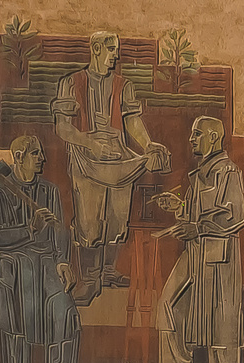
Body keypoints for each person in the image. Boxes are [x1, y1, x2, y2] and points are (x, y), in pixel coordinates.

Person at [51, 31, 170, 303]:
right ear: (95, 48)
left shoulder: (123, 85)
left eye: (116, 50)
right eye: (111, 50)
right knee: (89, 221)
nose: (116, 55)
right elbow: (62, 126)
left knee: (117, 218)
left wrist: (148, 145)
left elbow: (132, 121)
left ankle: (107, 271)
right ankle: (90, 279)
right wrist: (89, 143)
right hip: (85, 161)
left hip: (117, 160)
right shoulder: (71, 83)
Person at [0, 136, 98, 363]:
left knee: (65, 313)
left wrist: (62, 261)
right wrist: (30, 229)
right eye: (36, 154)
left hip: (47, 266)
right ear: (19, 156)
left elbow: (59, 230)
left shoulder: (49, 191)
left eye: (41, 154)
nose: (42, 159)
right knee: (16, 325)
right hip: (16, 268)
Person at [149, 116, 244, 363]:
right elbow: (194, 213)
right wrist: (178, 207)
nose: (191, 139)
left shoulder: (227, 171)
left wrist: (199, 227)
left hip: (218, 253)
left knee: (221, 312)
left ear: (213, 137)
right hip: (195, 251)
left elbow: (235, 216)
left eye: (197, 134)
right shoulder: (201, 172)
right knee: (168, 303)